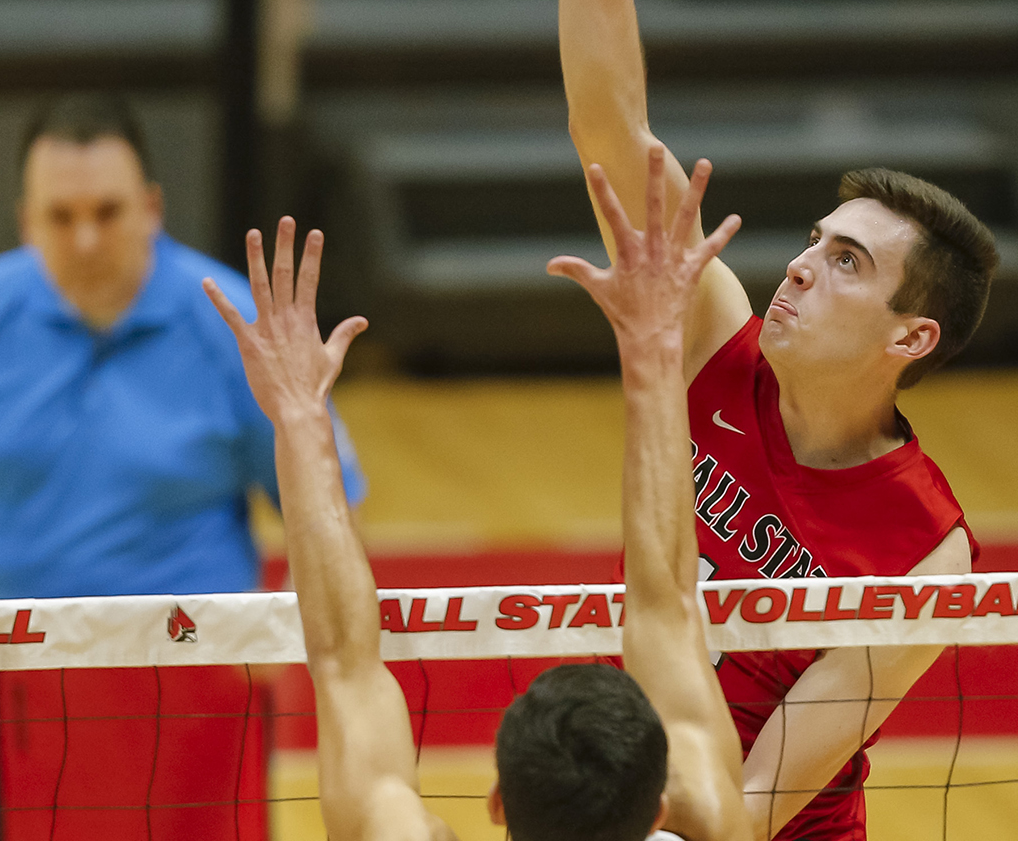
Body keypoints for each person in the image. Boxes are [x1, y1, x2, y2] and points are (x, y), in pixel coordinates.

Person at [555, 0, 993, 838]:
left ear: (910, 336)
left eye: (846, 263)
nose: (798, 267)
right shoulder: (717, 339)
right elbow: (610, 127)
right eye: (813, 241)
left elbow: (754, 808)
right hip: (623, 797)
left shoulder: (928, 552)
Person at [202, 153, 750, 841]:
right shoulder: (713, 822)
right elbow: (666, 602)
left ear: (496, 801)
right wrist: (656, 347)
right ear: (662, 808)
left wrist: (299, 416)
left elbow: (344, 660)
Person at [0, 92, 362, 838]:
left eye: (108, 211)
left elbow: (329, 502)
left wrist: (291, 637)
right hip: (3, 687)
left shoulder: (233, 325)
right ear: (25, 220)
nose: (86, 239)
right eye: (61, 217)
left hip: (193, 683)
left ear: (152, 207)